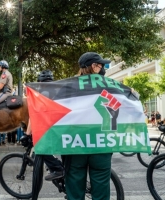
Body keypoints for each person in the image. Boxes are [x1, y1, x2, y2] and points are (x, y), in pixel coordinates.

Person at [65, 52, 112, 200]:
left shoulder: (68, 87)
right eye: (101, 65)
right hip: (101, 142)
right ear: (94, 66)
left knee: (74, 188)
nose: (103, 68)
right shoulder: (108, 86)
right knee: (101, 187)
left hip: (75, 143)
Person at [25, 69, 65, 181]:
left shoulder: (41, 94)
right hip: (62, 128)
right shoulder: (58, 91)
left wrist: (28, 133)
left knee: (40, 148)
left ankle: (58, 169)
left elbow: (34, 115)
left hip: (50, 129)